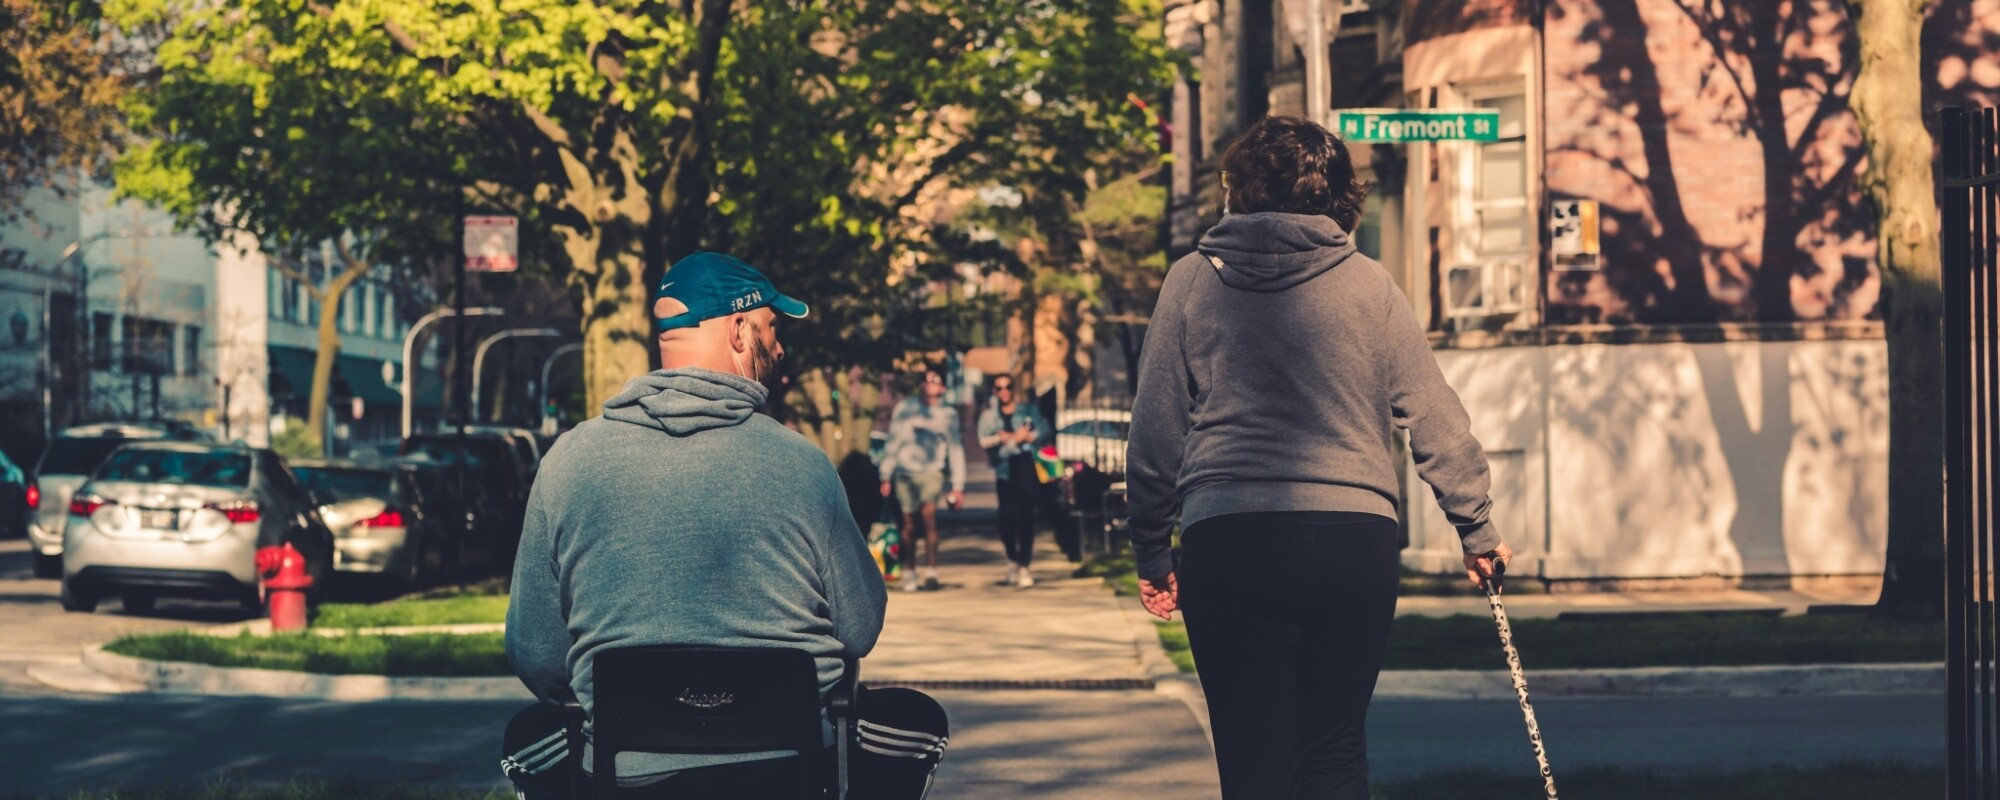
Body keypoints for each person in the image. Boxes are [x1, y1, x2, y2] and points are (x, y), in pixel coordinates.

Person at [1125, 116, 1514, 800]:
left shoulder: (1191, 282)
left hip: (1232, 538)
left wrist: (1152, 551)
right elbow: (1435, 415)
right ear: (1340, 197)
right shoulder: (1372, 287)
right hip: (1352, 541)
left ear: (1236, 188)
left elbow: (1156, 429)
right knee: (1334, 752)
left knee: (1256, 762)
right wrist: (1475, 528)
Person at [501, 251, 948, 799]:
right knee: (917, 720)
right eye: (771, 326)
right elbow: (860, 628)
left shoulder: (566, 462)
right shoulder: (802, 465)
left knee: (526, 739)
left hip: (626, 778)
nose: (779, 346)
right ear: (739, 330)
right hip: (786, 774)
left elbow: (536, 656)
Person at [877, 369, 967, 592]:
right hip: (904, 472)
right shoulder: (906, 408)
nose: (929, 384)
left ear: (942, 388)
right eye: (925, 380)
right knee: (908, 524)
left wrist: (958, 485)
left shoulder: (948, 414)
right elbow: (893, 440)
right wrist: (885, 474)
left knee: (928, 518)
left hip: (932, 471)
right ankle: (909, 571)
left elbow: (955, 449)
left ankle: (932, 570)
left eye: (935, 380)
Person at [975, 374, 1053, 588]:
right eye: (999, 388)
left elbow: (1045, 430)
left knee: (1027, 518)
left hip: (1027, 469)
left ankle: (1024, 565)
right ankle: (1011, 559)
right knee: (1006, 519)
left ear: (1013, 389)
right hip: (1004, 472)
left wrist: (1026, 437)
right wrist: (1012, 440)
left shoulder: (1027, 410)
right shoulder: (989, 417)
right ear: (994, 392)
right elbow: (985, 441)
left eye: (1007, 386)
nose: (1004, 391)